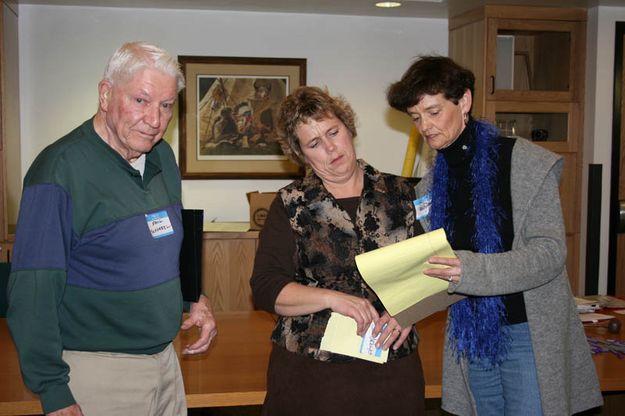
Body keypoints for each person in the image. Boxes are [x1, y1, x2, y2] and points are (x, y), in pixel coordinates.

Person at [7, 41, 217, 416]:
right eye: (140, 100)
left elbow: (161, 247)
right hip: (97, 373)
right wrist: (53, 391)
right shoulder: (59, 170)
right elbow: (32, 293)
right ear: (106, 95)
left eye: (166, 105)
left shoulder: (162, 157)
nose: (154, 119)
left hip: (166, 364)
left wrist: (190, 300)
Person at [387, 56, 603, 415]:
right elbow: (433, 269)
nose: (425, 125)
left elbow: (549, 253)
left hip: (527, 332)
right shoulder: (428, 186)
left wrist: (468, 270)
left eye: (434, 111)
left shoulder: (526, 164)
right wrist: (401, 309)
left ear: (465, 101)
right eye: (416, 117)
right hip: (470, 336)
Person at [250, 86, 426, 416]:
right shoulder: (291, 204)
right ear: (301, 154)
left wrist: (409, 311)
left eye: (334, 132)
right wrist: (334, 299)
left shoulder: (402, 194)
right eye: (315, 143)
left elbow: (432, 270)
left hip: (392, 372)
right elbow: (265, 287)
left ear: (348, 127)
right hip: (311, 378)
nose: (331, 148)